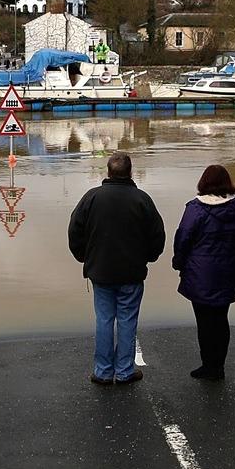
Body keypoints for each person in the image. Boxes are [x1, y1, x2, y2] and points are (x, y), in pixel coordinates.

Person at [69, 151, 166, 385]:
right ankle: (124, 371)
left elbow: (75, 230)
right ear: (130, 172)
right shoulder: (142, 200)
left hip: (100, 272)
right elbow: (157, 236)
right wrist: (149, 257)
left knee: (103, 319)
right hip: (132, 273)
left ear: (108, 172)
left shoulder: (91, 198)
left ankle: (102, 372)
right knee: (127, 320)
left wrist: (83, 256)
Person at [171, 164, 235, 380]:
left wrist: (179, 263)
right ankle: (218, 365)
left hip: (200, 273)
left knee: (205, 321)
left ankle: (208, 365)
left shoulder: (195, 209)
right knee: (221, 318)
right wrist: (234, 258)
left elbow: (183, 239)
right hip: (228, 270)